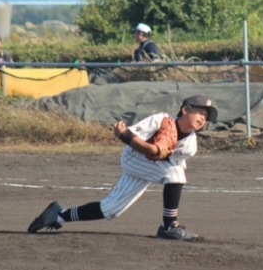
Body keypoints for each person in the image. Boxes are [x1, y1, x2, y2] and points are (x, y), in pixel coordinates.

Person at [27, 94, 218, 240]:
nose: (203, 118)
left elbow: (154, 152)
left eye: (206, 116)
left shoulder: (190, 146)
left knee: (110, 209)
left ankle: (57, 215)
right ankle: (169, 226)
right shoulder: (161, 120)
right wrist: (126, 136)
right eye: (200, 112)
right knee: (175, 174)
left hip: (152, 164)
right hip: (134, 158)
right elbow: (132, 138)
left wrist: (125, 135)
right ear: (185, 110)